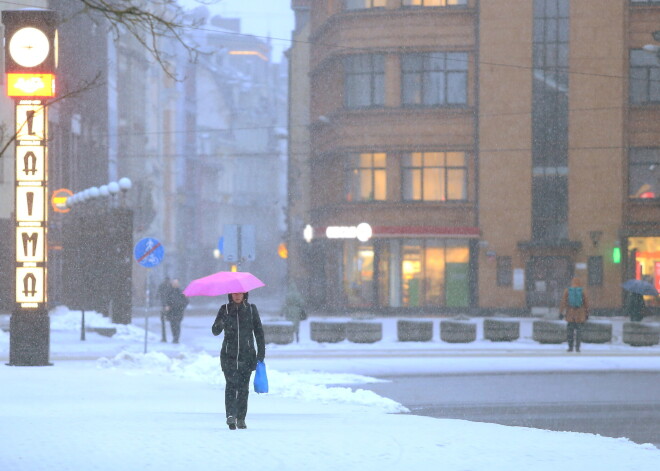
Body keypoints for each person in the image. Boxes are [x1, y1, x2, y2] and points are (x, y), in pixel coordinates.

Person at [212, 292, 265, 430]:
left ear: (244, 294)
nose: (237, 295)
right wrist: (221, 322)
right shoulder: (225, 309)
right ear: (230, 294)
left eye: (239, 293)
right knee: (230, 385)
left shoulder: (251, 309)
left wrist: (261, 353)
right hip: (228, 355)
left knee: (243, 388)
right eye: (234, 293)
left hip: (247, 355)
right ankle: (230, 415)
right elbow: (215, 331)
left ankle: (241, 418)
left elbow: (259, 332)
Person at [559, 277, 589, 353]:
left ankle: (570, 347)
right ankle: (578, 347)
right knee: (579, 332)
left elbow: (563, 302)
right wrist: (587, 313)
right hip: (580, 314)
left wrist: (561, 312)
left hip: (570, 314)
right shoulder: (582, 291)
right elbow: (586, 303)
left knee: (570, 332)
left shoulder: (568, 290)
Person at [164, 279, 188, 344]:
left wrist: (181, 307)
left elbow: (186, 301)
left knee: (177, 325)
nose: (175, 285)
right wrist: (167, 306)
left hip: (178, 312)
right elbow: (166, 300)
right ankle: (174, 337)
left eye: (176, 283)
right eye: (174, 283)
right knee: (172, 325)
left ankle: (176, 338)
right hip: (171, 312)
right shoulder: (169, 292)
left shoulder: (181, 292)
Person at [157, 277, 172, 342]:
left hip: (164, 305)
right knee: (173, 323)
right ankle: (174, 337)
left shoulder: (162, 286)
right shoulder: (170, 286)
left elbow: (157, 295)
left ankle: (164, 337)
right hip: (169, 306)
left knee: (164, 322)